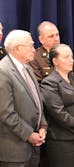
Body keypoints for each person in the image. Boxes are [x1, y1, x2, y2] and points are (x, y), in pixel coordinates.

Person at [40, 44, 74, 167]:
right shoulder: (49, 82)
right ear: (55, 61)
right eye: (66, 57)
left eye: (71, 56)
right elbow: (58, 112)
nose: (71, 60)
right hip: (63, 141)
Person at [0, 30, 47, 167]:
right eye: (31, 46)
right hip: (14, 151)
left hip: (33, 147)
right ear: (17, 48)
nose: (34, 49)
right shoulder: (3, 71)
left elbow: (37, 102)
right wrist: (29, 135)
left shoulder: (27, 68)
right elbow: (6, 113)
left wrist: (43, 125)